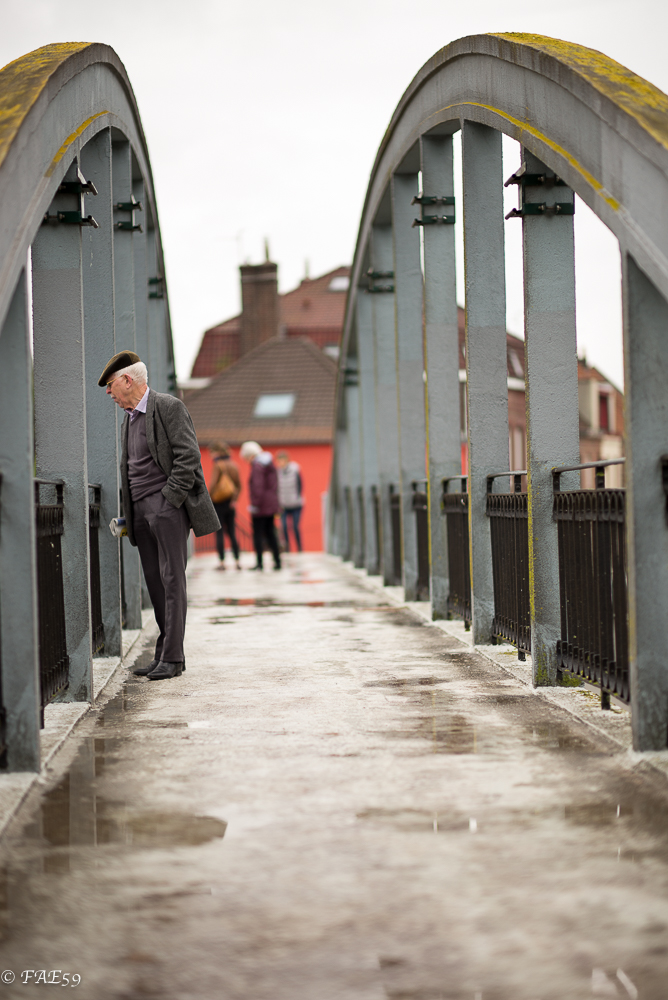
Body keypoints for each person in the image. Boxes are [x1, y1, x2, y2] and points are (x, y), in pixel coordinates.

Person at [98, 350, 220, 680]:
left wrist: (169, 500)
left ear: (127, 380)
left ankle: (174, 658)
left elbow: (188, 457)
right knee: (155, 582)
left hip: (166, 508)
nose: (108, 392)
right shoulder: (129, 418)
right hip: (139, 511)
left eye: (110, 385)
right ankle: (164, 652)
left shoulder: (167, 406)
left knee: (172, 580)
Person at [239, 441, 281, 571]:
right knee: (271, 532)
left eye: (246, 458)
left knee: (257, 534)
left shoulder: (257, 466)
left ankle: (259, 563)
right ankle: (277, 561)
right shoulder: (269, 464)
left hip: (260, 506)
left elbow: (258, 487)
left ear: (250, 455)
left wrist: (255, 505)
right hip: (271, 504)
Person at [208, 442, 241, 571]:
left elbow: (212, 485)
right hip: (230, 503)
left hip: (218, 503)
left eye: (212, 452)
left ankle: (222, 562)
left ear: (217, 452)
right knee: (232, 532)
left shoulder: (218, 465)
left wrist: (208, 499)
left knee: (219, 532)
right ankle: (237, 561)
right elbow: (239, 486)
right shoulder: (234, 465)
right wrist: (234, 500)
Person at [276, 450, 303, 552]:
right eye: (279, 461)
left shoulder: (295, 470)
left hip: (296, 503)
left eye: (282, 460)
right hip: (283, 504)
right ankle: (287, 548)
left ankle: (299, 548)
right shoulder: (277, 472)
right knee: (284, 527)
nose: (281, 463)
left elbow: (300, 485)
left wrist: (297, 497)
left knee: (295, 527)